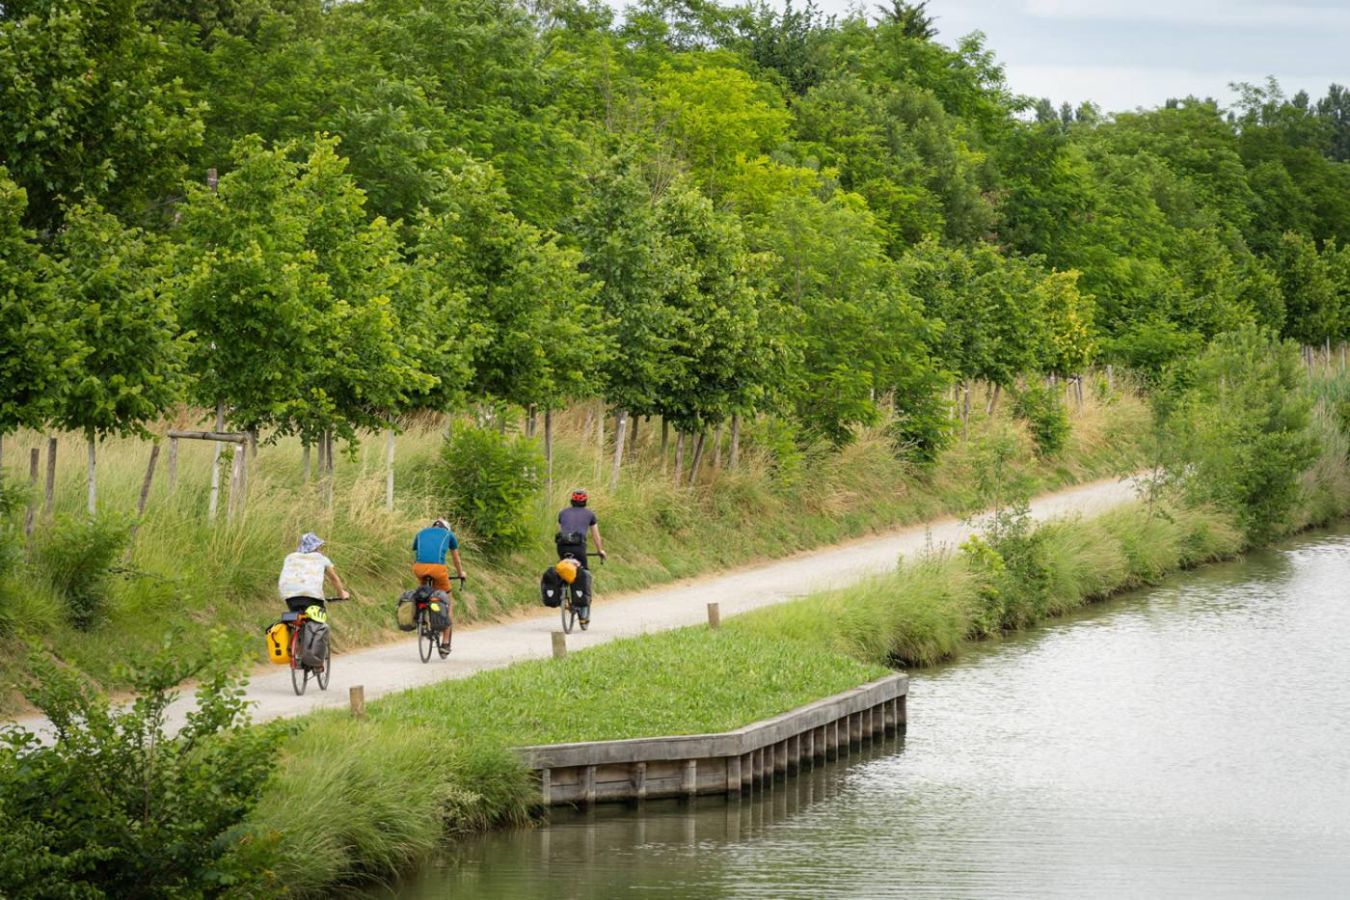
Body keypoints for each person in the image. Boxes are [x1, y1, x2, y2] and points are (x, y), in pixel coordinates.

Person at [412, 517, 466, 657]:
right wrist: (461, 574)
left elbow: (417, 554)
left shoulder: (421, 532)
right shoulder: (449, 535)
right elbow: (456, 559)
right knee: (447, 599)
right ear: (446, 528)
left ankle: (420, 617)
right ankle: (445, 643)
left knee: (423, 592)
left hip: (419, 568)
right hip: (438, 570)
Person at [556, 489, 605, 626]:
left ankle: (561, 594)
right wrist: (600, 550)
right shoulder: (590, 514)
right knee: (584, 573)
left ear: (572, 501)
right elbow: (596, 536)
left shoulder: (562, 513)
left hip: (562, 547)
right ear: (585, 501)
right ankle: (583, 613)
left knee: (563, 567)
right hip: (578, 548)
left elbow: (561, 532)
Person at [278, 532, 349, 613]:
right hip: (312, 596)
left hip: (289, 596)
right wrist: (341, 593)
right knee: (318, 620)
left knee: (295, 619)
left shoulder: (290, 557)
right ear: (315, 548)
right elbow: (334, 579)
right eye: (319, 548)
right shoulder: (321, 558)